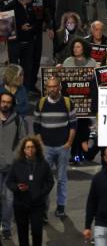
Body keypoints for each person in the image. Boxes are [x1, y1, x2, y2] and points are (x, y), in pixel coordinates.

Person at [33, 76, 76, 219]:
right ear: (47, 88)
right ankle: (43, 211)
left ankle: (61, 207)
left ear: (59, 87)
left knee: (62, 178)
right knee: (44, 180)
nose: (52, 89)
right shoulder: (41, 103)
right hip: (47, 148)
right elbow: (36, 126)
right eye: (49, 87)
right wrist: (41, 145)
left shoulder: (67, 103)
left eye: (54, 86)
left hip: (63, 147)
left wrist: (69, 143)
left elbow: (73, 125)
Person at [5, 137, 53, 246]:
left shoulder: (43, 164)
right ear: (23, 149)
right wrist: (17, 187)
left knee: (37, 231)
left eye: (32, 147)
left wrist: (41, 193)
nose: (30, 149)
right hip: (21, 204)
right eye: (27, 147)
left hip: (37, 204)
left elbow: (50, 181)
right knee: (22, 233)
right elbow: (9, 181)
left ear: (36, 149)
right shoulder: (17, 164)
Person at [0, 90, 27, 238]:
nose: (5, 105)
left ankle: (6, 228)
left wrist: (16, 158)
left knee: (8, 199)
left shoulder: (18, 120)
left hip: (11, 167)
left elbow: (23, 142)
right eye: (3, 101)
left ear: (12, 104)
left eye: (8, 102)